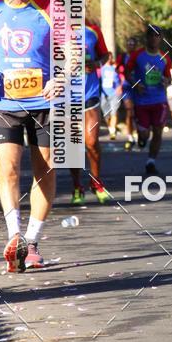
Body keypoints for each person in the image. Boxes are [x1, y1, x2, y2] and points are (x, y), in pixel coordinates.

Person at [0, 0, 59, 271]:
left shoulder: (52, 8)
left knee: (46, 169)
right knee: (8, 167)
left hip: (46, 102)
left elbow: (73, 51)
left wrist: (63, 77)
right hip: (2, 102)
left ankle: (34, 239)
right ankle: (15, 239)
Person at [70, 21, 110, 205]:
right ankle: (77, 186)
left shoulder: (93, 30)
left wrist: (96, 64)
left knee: (92, 141)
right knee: (73, 146)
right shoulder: (52, 27)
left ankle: (96, 182)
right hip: (65, 96)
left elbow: (105, 55)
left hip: (89, 93)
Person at [125, 25, 170, 175]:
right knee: (144, 135)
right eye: (151, 35)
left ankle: (151, 161)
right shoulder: (137, 55)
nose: (154, 38)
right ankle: (141, 136)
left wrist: (166, 81)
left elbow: (168, 76)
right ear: (147, 37)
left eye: (157, 35)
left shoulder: (165, 57)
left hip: (159, 100)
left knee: (158, 131)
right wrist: (135, 84)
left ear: (161, 38)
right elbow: (127, 72)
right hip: (142, 101)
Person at [116, 36, 138, 150]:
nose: (130, 45)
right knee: (129, 111)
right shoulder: (123, 57)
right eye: (128, 44)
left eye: (132, 44)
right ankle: (130, 137)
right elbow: (116, 69)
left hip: (138, 87)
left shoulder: (140, 56)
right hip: (127, 86)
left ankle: (139, 133)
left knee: (138, 112)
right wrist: (119, 83)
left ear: (135, 45)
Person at [100, 52, 123, 138]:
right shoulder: (101, 69)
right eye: (108, 57)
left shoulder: (115, 68)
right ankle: (111, 126)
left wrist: (120, 86)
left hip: (114, 93)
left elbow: (121, 77)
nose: (109, 59)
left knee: (114, 112)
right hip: (104, 94)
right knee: (106, 115)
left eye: (111, 57)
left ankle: (112, 131)